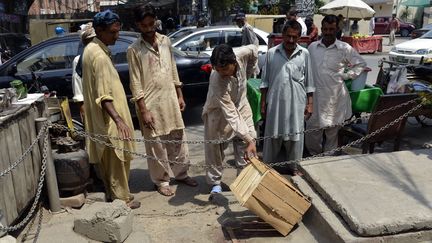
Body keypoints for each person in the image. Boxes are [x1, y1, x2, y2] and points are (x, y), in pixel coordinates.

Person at [127, 4, 197, 197]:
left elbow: (173, 69)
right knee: (156, 145)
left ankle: (181, 174)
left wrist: (180, 94)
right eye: (144, 25)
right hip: (150, 105)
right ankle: (162, 181)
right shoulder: (133, 50)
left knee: (178, 139)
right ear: (137, 25)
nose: (149, 29)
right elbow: (135, 83)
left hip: (170, 100)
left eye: (151, 24)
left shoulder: (166, 41)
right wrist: (143, 110)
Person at [82, 10, 140, 209]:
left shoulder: (93, 49)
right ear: (99, 30)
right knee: (117, 159)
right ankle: (121, 200)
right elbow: (104, 95)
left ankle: (115, 194)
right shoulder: (98, 55)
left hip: (104, 120)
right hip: (109, 120)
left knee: (111, 159)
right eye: (112, 32)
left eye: (118, 31)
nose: (117, 36)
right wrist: (118, 120)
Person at [305, 14, 366, 155]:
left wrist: (346, 75)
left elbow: (361, 64)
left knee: (332, 136)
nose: (328, 32)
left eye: (331, 29)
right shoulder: (312, 47)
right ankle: (316, 158)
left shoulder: (344, 48)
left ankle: (326, 162)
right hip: (314, 99)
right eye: (325, 29)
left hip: (335, 98)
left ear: (337, 29)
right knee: (312, 136)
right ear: (321, 29)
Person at [260, 20, 314, 176]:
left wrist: (310, 103)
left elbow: (310, 82)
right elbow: (264, 82)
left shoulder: (304, 54)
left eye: (295, 37)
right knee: (272, 135)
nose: (291, 40)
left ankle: (295, 167)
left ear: (299, 37)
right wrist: (263, 103)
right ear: (283, 35)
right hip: (275, 102)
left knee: (295, 135)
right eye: (288, 36)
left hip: (297, 102)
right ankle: (267, 166)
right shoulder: (271, 53)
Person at [203, 44, 258, 194]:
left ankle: (244, 179)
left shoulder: (242, 54)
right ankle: (215, 182)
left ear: (234, 62)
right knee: (215, 147)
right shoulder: (217, 79)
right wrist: (249, 139)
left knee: (247, 140)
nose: (222, 73)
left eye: (225, 69)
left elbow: (254, 49)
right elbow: (231, 113)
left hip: (241, 102)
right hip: (218, 110)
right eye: (218, 70)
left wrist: (251, 70)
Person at [72, 23, 96, 121]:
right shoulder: (79, 60)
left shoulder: (103, 55)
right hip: (90, 104)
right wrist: (82, 109)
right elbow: (77, 85)